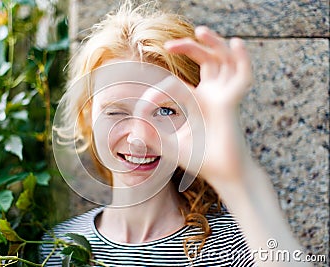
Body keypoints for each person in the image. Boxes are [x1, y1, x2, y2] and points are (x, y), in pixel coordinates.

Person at [40, 1, 310, 266]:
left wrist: (238, 180)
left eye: (166, 111)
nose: (138, 138)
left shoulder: (244, 245)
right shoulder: (56, 249)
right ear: (87, 117)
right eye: (115, 111)